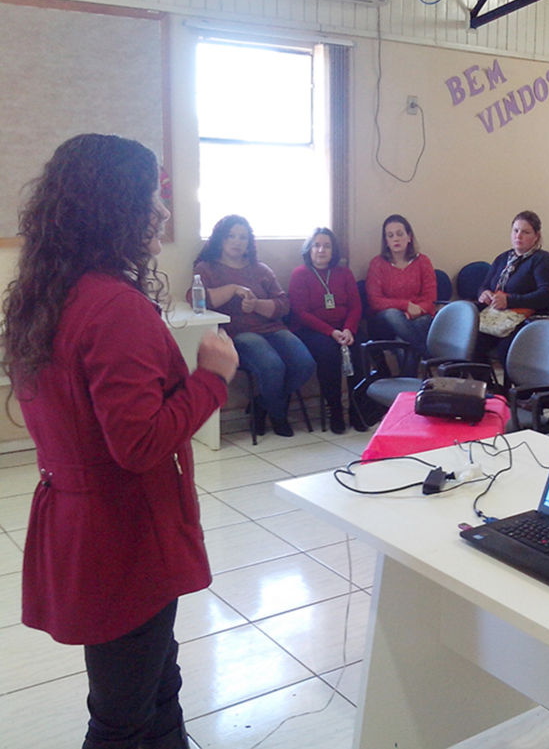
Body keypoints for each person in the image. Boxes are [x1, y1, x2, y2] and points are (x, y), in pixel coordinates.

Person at [0, 134, 239, 748]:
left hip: (87, 524)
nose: (161, 212)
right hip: (124, 534)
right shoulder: (114, 308)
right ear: (112, 208)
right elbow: (139, 444)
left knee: (156, 682)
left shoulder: (49, 295)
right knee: (121, 716)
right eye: (150, 198)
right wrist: (212, 379)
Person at [194, 215, 315, 437]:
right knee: (272, 366)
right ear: (220, 239)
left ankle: (261, 405)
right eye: (231, 236)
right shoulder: (206, 268)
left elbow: (283, 305)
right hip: (237, 333)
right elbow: (200, 301)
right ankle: (278, 416)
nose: (237, 242)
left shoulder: (261, 269)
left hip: (273, 328)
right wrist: (233, 289)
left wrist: (256, 304)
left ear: (249, 242)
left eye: (243, 237)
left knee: (304, 364)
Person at [289, 227, 366, 434]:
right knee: (329, 352)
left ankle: (357, 407)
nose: (321, 250)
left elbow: (356, 306)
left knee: (360, 348)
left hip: (344, 327)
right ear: (309, 249)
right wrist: (330, 332)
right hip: (312, 330)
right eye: (316, 245)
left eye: (327, 246)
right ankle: (335, 409)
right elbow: (300, 312)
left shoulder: (344, 273)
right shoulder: (300, 274)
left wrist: (349, 329)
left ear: (334, 251)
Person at [477, 211, 549, 362]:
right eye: (515, 231)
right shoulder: (503, 258)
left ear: (536, 236)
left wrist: (509, 301)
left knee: (506, 350)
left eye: (525, 232)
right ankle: (482, 377)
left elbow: (546, 295)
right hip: (497, 317)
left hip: (527, 318)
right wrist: (484, 293)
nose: (518, 236)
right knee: (470, 339)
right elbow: (484, 286)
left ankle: (510, 379)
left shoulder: (543, 260)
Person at [365, 214, 437, 357]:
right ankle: (431, 356)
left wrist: (410, 314)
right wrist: (405, 306)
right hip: (385, 321)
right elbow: (375, 301)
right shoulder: (377, 264)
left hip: (418, 316)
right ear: (386, 241)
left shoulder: (423, 261)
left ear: (409, 237)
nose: (395, 239)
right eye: (390, 236)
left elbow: (430, 298)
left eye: (400, 234)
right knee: (392, 314)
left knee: (403, 340)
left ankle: (410, 372)